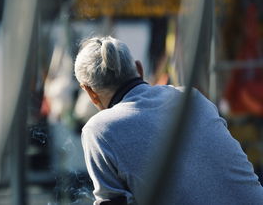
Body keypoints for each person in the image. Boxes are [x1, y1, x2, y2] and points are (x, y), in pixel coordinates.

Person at [74, 36, 263, 205]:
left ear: (90, 92)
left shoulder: (99, 129)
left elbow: (112, 202)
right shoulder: (192, 98)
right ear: (139, 69)